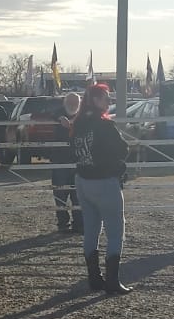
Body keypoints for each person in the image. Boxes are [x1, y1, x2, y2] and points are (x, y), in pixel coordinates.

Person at [71, 83, 131, 294]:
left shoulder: (78, 124)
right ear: (95, 100)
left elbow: (74, 151)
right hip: (104, 181)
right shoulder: (105, 125)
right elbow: (123, 149)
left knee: (91, 230)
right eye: (105, 97)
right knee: (115, 231)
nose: (108, 101)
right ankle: (113, 281)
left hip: (83, 178)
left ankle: (94, 278)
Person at [51, 91, 84, 234]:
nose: (73, 105)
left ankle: (79, 222)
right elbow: (48, 113)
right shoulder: (59, 113)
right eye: (70, 102)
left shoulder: (83, 115)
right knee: (60, 192)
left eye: (75, 102)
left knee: (79, 193)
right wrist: (60, 118)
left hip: (78, 159)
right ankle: (62, 222)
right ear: (65, 103)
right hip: (60, 159)